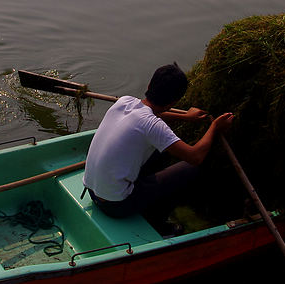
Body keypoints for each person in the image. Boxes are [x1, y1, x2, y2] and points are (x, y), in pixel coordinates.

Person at [82, 63, 234, 219]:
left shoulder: (124, 101)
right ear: (173, 103)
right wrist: (215, 127)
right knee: (190, 170)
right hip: (116, 206)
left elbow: (152, 117)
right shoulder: (153, 126)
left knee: (159, 152)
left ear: (149, 85)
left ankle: (148, 193)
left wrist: (186, 117)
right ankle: (161, 220)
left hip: (92, 191)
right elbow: (195, 157)